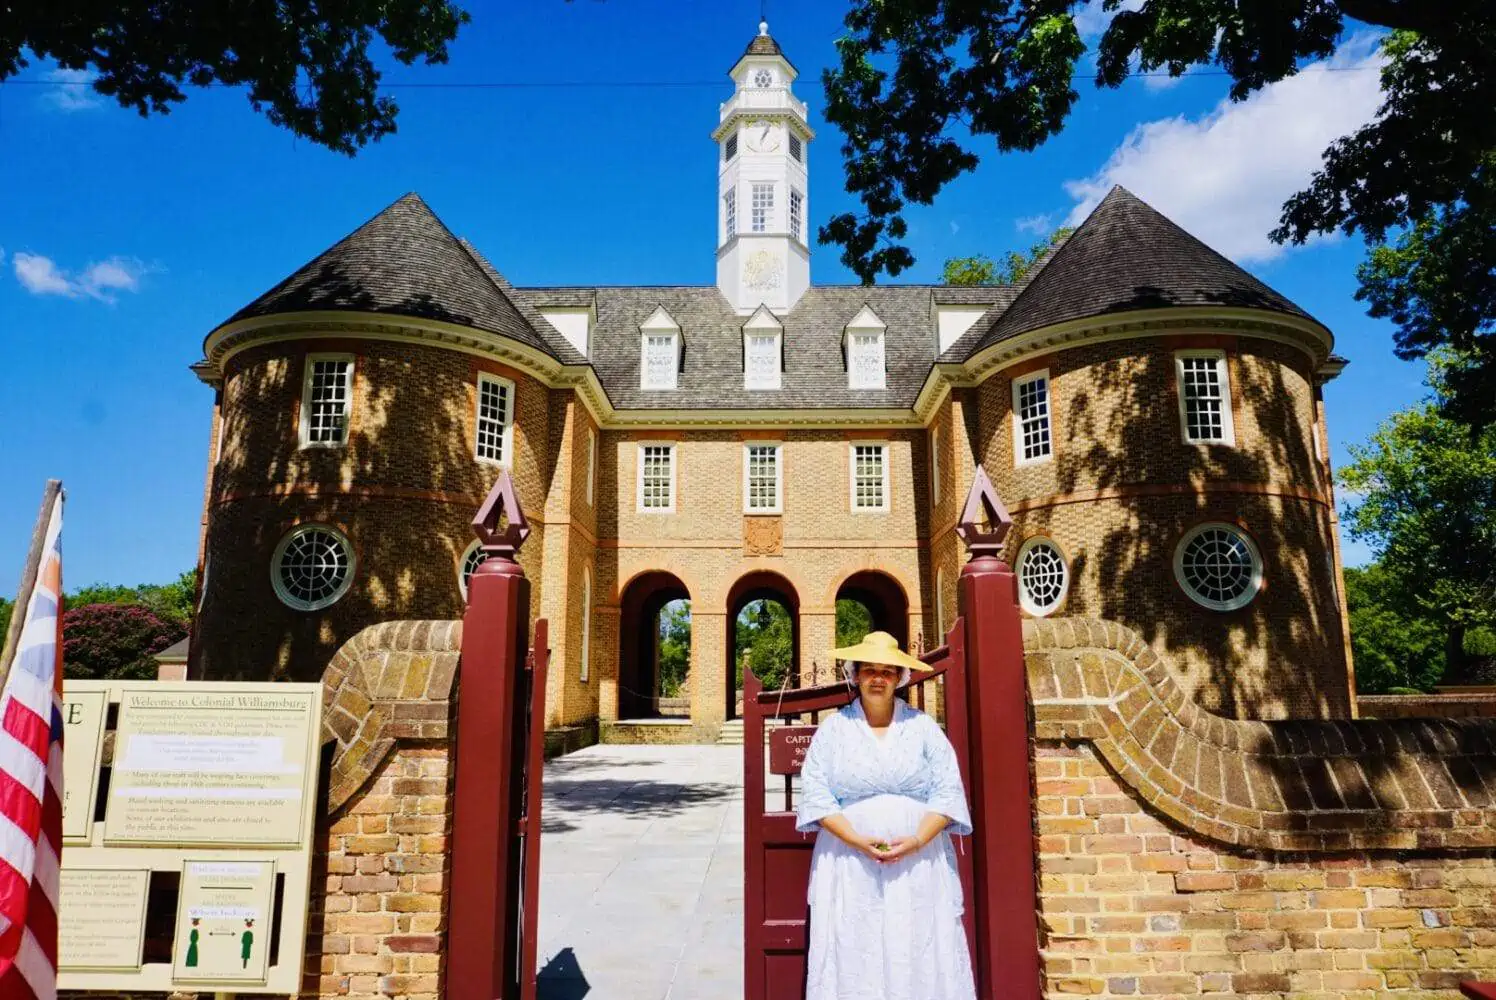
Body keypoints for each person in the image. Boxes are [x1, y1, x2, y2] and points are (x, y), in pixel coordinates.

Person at [795, 630, 976, 1000]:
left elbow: (948, 790)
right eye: (869, 670)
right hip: (849, 859)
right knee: (854, 939)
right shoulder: (833, 730)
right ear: (855, 674)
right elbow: (815, 793)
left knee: (915, 937)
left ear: (899, 678)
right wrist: (856, 839)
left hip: (919, 862)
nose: (878, 678)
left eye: (887, 671)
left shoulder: (922, 728)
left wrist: (917, 840)